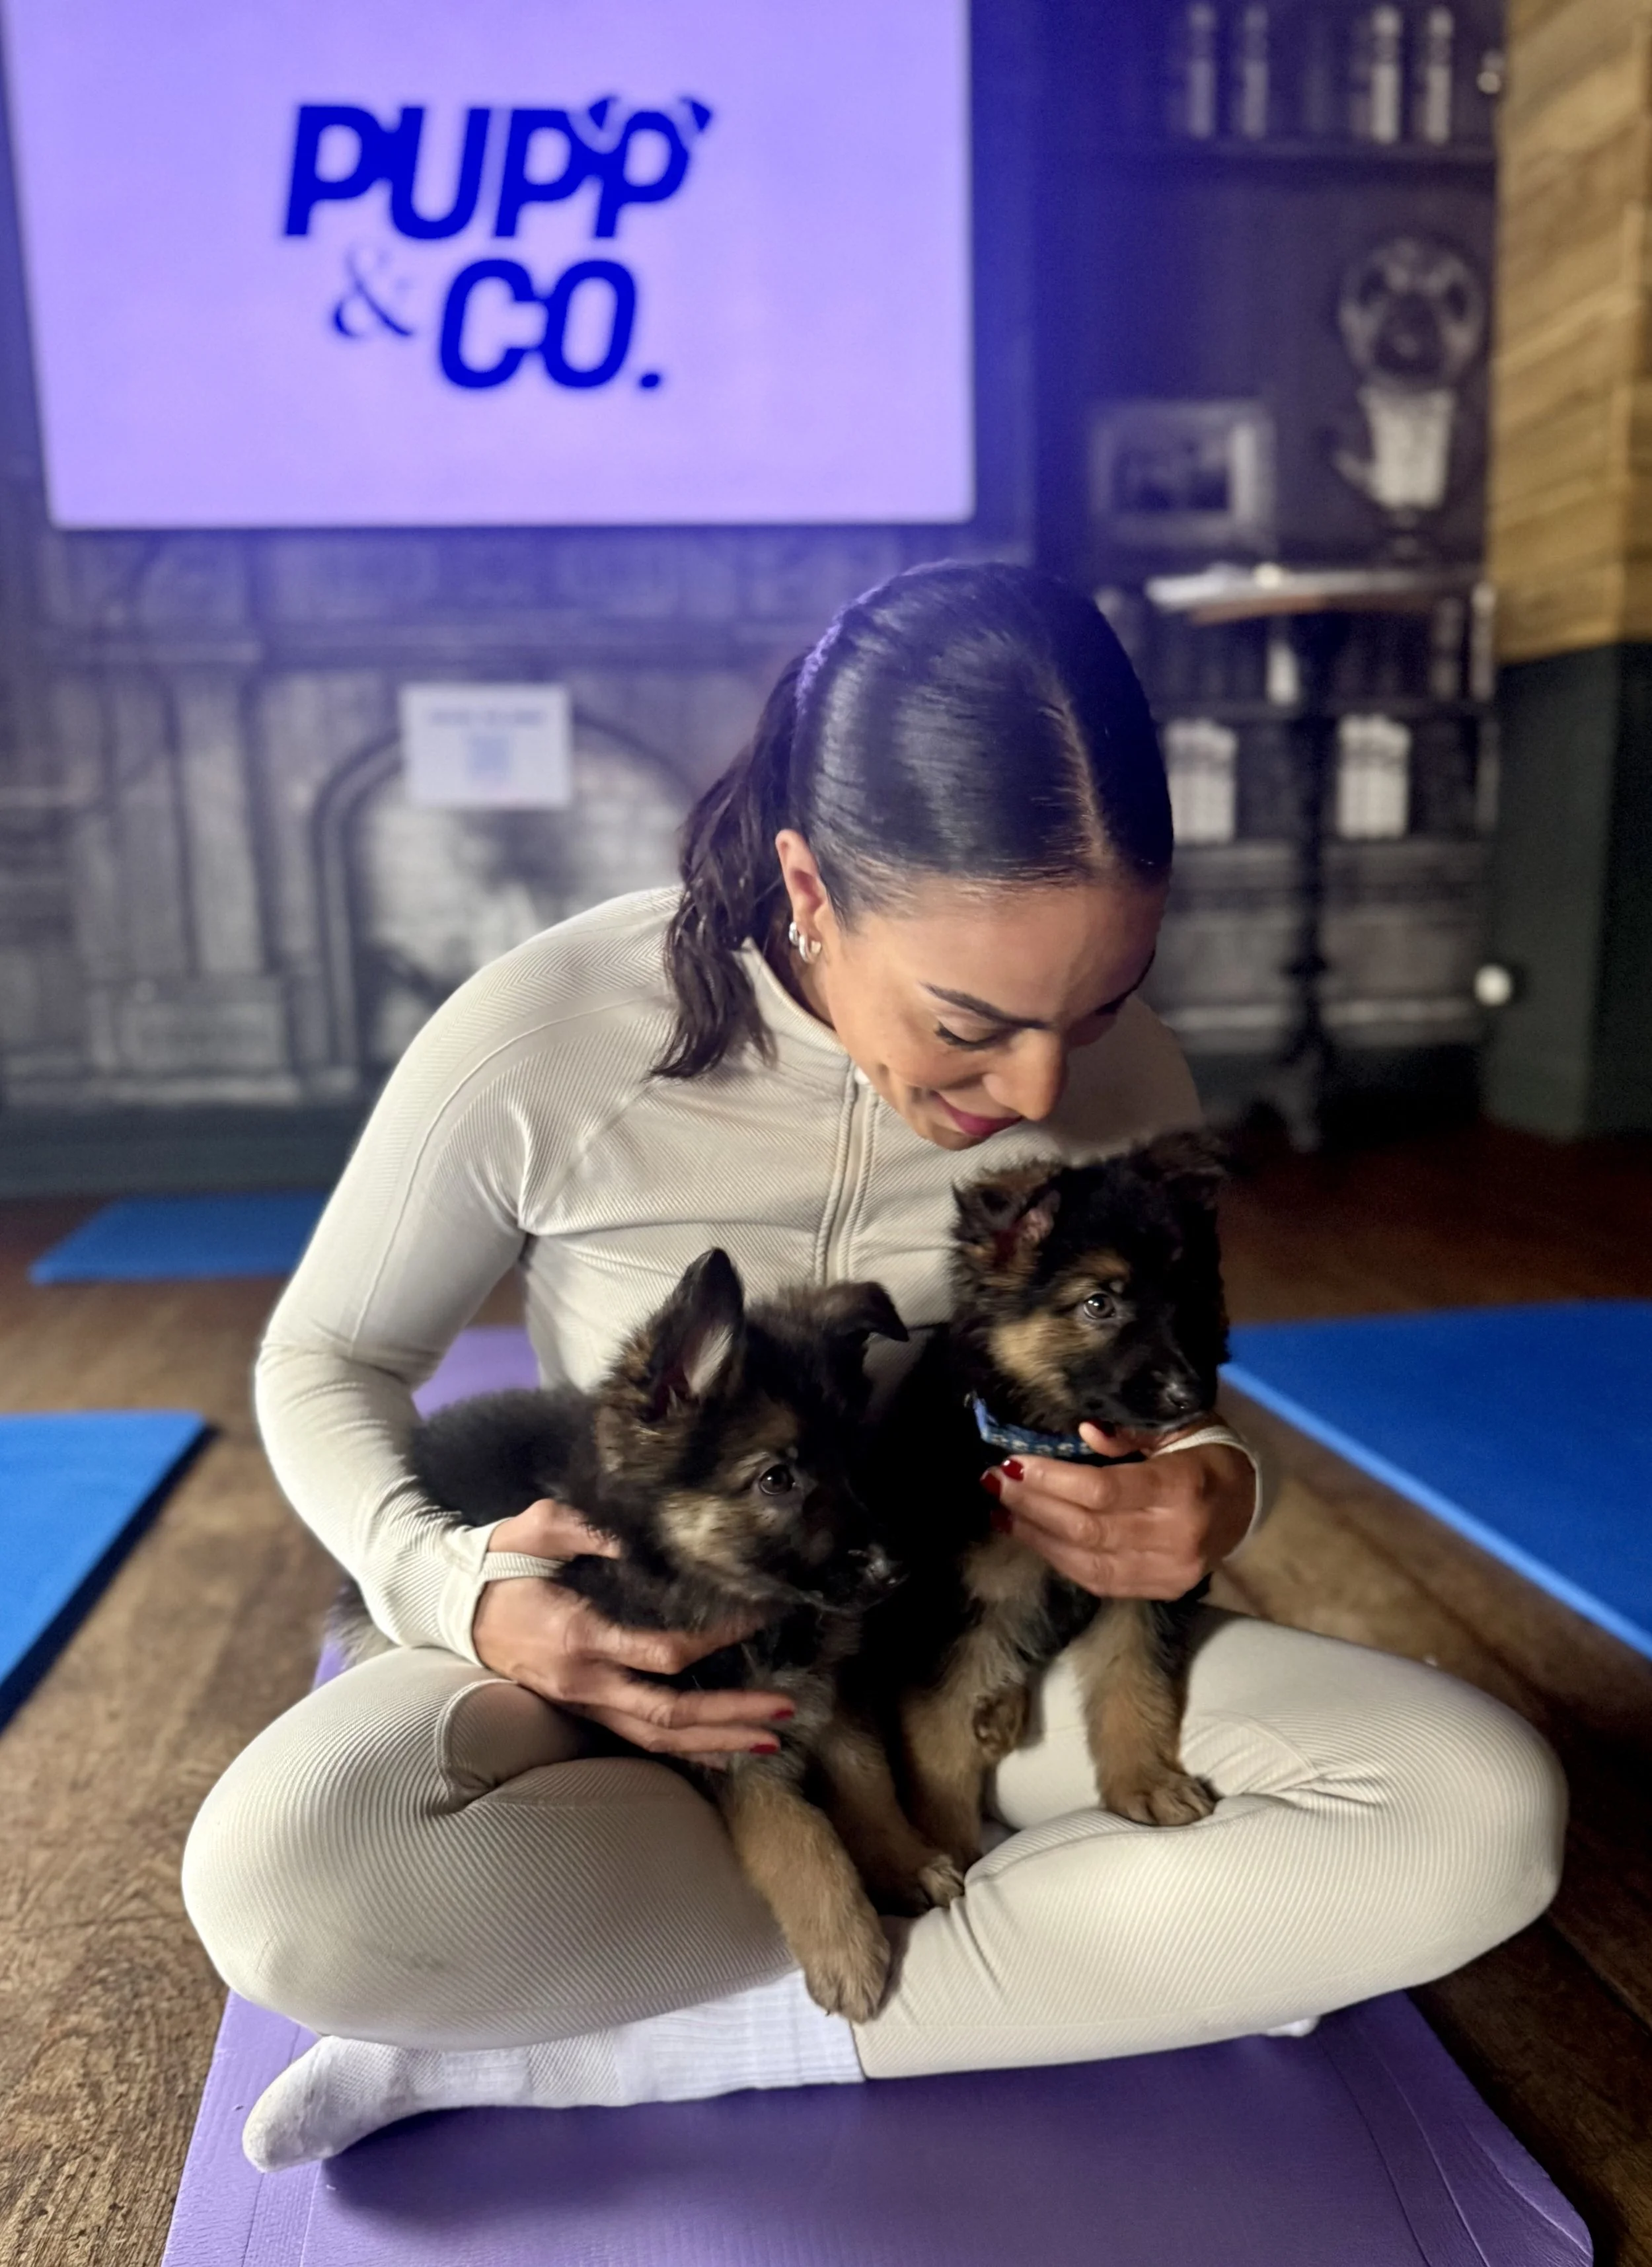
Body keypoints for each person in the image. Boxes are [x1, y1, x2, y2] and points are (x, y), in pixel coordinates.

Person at [181, 563, 1564, 2171]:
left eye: (1097, 1003)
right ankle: (1099, 1954)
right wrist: (451, 1585)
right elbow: (330, 1354)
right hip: (644, 1683)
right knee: (287, 1884)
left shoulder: (1125, 1080)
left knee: (1478, 1817)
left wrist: (1215, 1487)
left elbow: (1158, 1381)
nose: (1036, 1085)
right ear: (810, 885)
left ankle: (612, 2040)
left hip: (978, 1669)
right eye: (969, 1019)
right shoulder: (544, 1030)